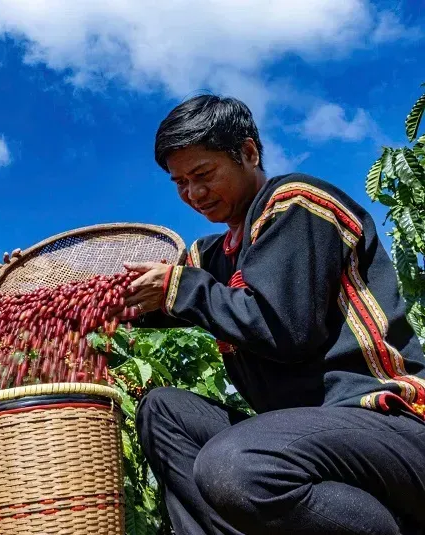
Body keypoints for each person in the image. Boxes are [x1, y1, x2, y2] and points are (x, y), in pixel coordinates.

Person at [122, 95, 425, 534]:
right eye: (180, 183)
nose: (194, 194)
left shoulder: (296, 204)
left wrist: (180, 287)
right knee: (162, 411)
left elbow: (283, 329)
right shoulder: (215, 255)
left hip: (388, 421)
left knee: (235, 463)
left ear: (248, 152)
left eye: (203, 175)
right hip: (306, 440)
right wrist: (40, 291)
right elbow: (145, 297)